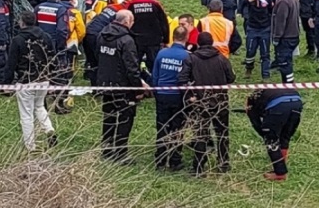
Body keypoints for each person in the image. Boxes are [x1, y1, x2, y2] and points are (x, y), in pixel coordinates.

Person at [178, 32, 236, 177]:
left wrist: (190, 96)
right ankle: (223, 163)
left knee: (200, 135)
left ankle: (198, 167)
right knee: (222, 133)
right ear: (212, 43)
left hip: (200, 103)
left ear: (198, 43)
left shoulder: (191, 58)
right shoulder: (222, 58)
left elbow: (182, 79)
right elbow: (231, 78)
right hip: (220, 102)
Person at [97, 10, 145, 164]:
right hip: (123, 87)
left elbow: (98, 57)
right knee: (125, 119)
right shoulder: (126, 40)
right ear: (126, 22)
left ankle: (107, 149)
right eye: (132, 21)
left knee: (109, 117)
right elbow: (131, 67)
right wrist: (138, 88)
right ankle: (120, 153)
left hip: (105, 84)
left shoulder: (102, 35)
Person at [7, 11, 58, 152]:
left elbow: (11, 63)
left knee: (26, 115)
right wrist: (51, 76)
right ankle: (49, 129)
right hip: (43, 79)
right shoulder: (46, 37)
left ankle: (30, 146)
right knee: (40, 106)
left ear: (21, 22)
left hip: (26, 81)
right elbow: (52, 58)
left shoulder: (17, 40)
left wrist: (6, 82)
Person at [152, 26, 190, 171]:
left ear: (173, 37)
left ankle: (160, 160)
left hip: (162, 94)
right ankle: (175, 160)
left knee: (162, 127)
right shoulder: (187, 56)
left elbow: (155, 76)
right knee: (177, 128)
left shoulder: (162, 53)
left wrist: (156, 92)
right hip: (178, 97)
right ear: (186, 38)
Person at [246, 88, 302, 182]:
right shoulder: (264, 91)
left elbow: (256, 122)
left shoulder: (251, 101)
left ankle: (280, 174)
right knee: (285, 137)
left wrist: (265, 135)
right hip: (297, 102)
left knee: (271, 141)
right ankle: (282, 163)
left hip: (278, 105)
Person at [126, 0, 170, 73]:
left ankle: (136, 79)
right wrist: (166, 39)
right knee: (154, 65)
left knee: (135, 64)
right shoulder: (155, 4)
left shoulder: (131, 5)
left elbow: (125, 22)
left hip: (137, 40)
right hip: (154, 40)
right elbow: (164, 22)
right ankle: (153, 79)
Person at [83, 0, 125, 86]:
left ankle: (94, 86)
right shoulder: (122, 14)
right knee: (101, 61)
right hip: (96, 35)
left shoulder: (110, 7)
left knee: (92, 61)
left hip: (87, 32)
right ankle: (102, 86)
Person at [241, 0, 273, 80]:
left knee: (265, 53)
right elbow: (243, 3)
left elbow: (271, 11)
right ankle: (249, 68)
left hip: (265, 29)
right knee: (250, 51)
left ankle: (266, 75)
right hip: (252, 29)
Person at [271, 0, 301, 83]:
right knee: (288, 61)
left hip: (286, 37)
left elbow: (281, 21)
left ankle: (288, 84)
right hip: (294, 35)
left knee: (284, 63)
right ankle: (289, 82)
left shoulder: (283, 1)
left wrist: (276, 37)